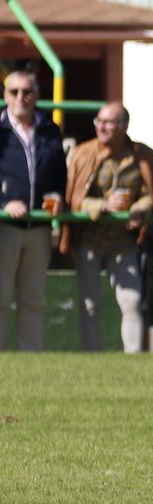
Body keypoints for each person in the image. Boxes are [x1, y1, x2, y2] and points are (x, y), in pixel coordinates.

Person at [61, 101, 153, 353]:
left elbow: (152, 194)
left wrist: (140, 209)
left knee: (132, 301)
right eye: (99, 122)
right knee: (89, 303)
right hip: (88, 239)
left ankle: (133, 359)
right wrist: (103, 205)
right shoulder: (84, 153)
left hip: (124, 240)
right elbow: (73, 200)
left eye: (109, 122)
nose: (102, 127)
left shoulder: (142, 156)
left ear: (124, 126)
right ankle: (92, 358)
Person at [0, 68, 67, 352]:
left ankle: (31, 356)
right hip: (5, 226)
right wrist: (3, 204)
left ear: (36, 95)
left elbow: (59, 174)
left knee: (33, 297)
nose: (21, 98)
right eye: (14, 92)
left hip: (39, 226)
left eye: (27, 92)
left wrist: (58, 199)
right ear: (5, 95)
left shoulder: (49, 130)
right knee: (1, 297)